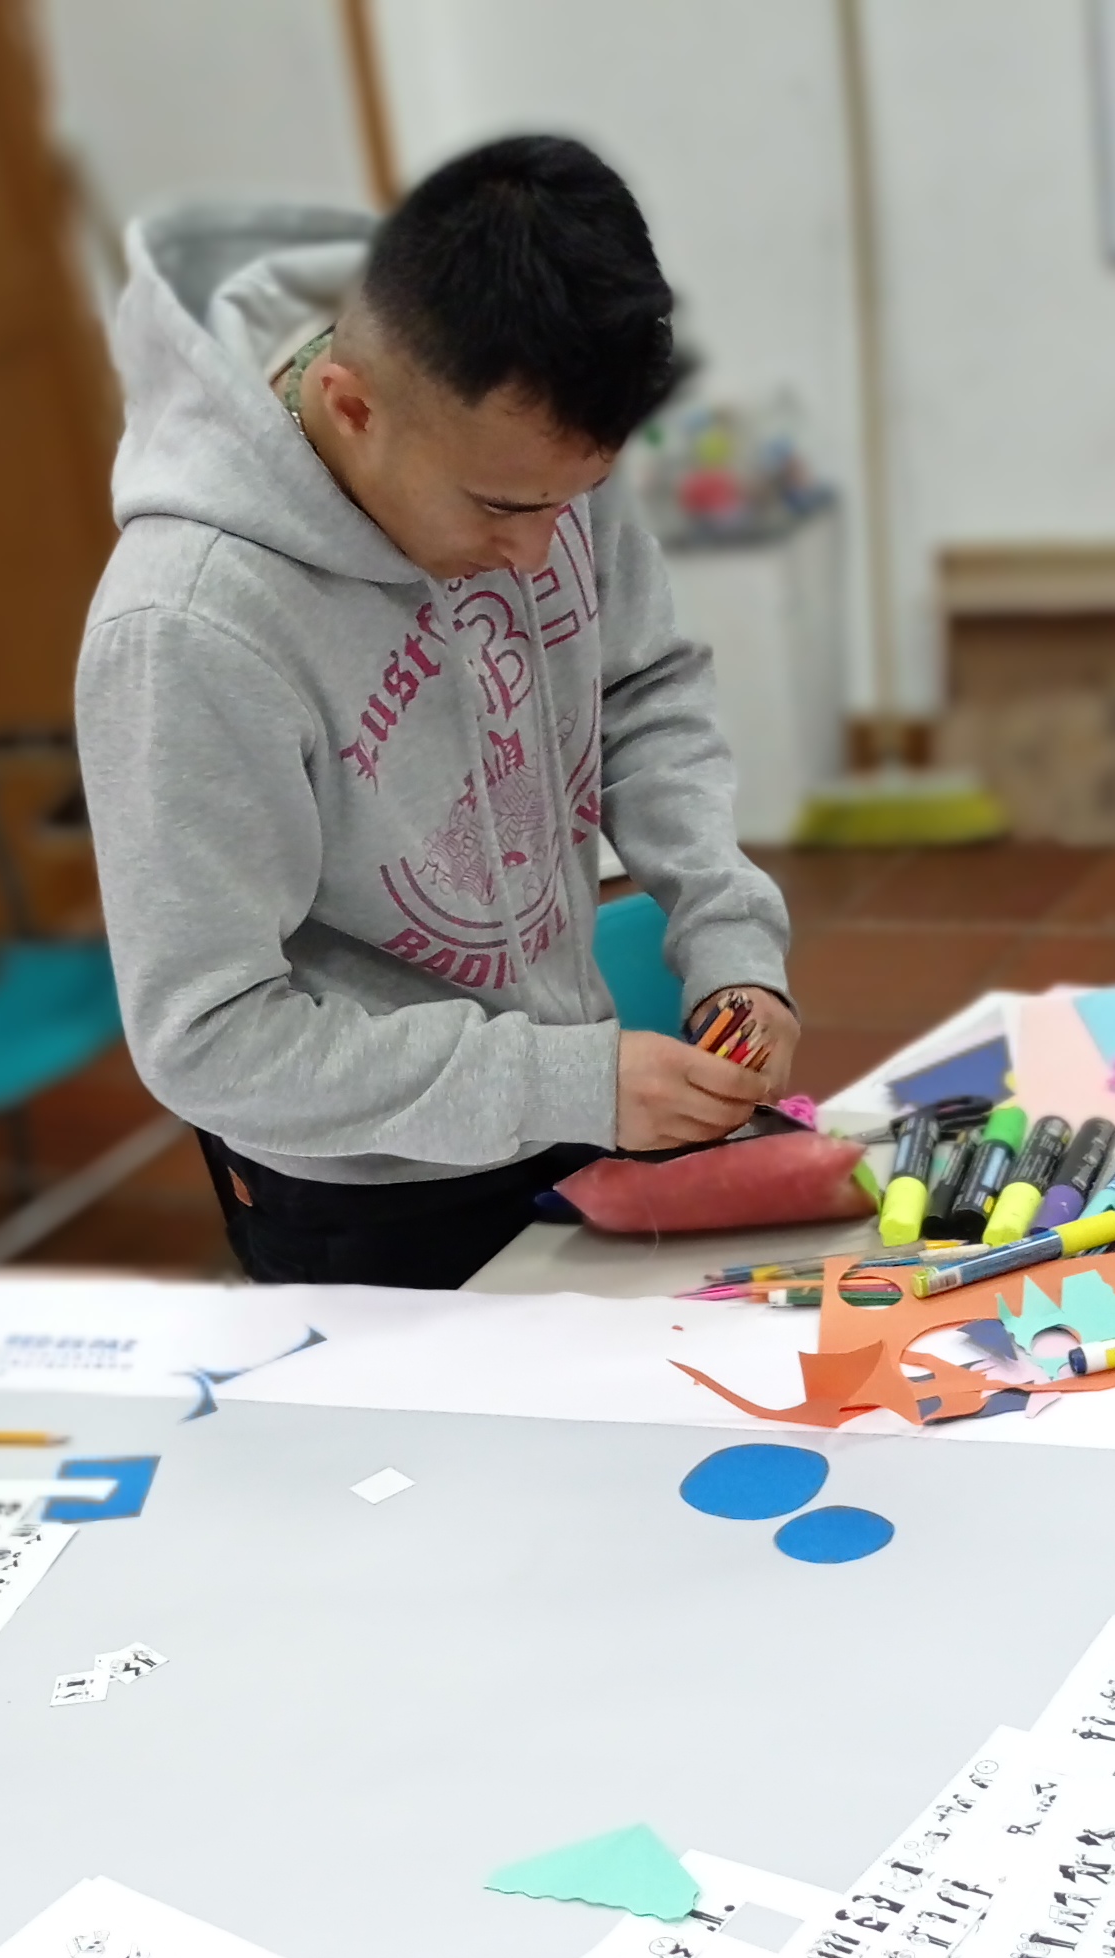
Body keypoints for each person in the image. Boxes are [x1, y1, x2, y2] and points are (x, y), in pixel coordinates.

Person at [77, 135, 797, 1291]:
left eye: (576, 499)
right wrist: (566, 1083)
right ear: (351, 404)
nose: (536, 549)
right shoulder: (187, 629)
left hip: (570, 1092)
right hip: (366, 1195)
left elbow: (643, 687)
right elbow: (205, 1037)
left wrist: (730, 945)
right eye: (502, 507)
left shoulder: (533, 452)